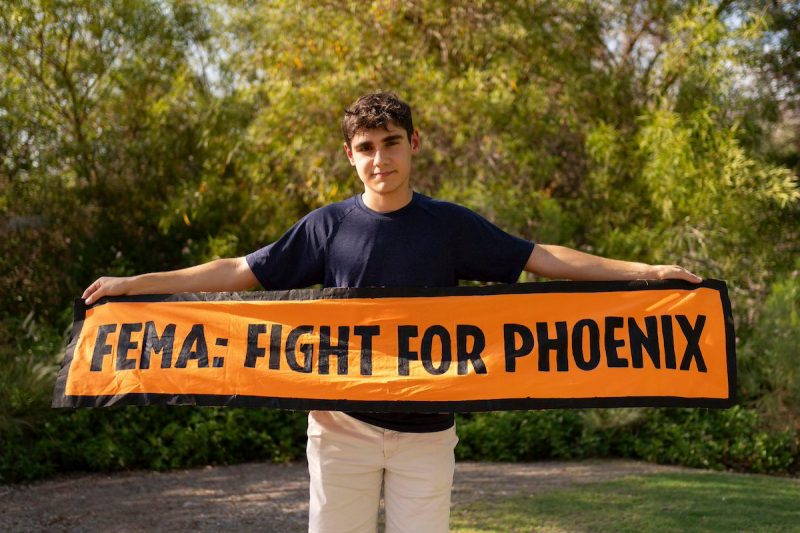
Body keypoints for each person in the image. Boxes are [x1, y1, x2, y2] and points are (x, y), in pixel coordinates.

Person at [83, 92, 701, 533]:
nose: (381, 159)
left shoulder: (449, 224)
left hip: (427, 436)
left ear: (414, 146)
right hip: (339, 430)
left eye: (392, 144)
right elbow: (237, 272)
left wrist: (646, 273)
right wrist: (140, 283)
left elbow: (544, 259)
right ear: (350, 156)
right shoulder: (325, 227)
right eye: (367, 147)